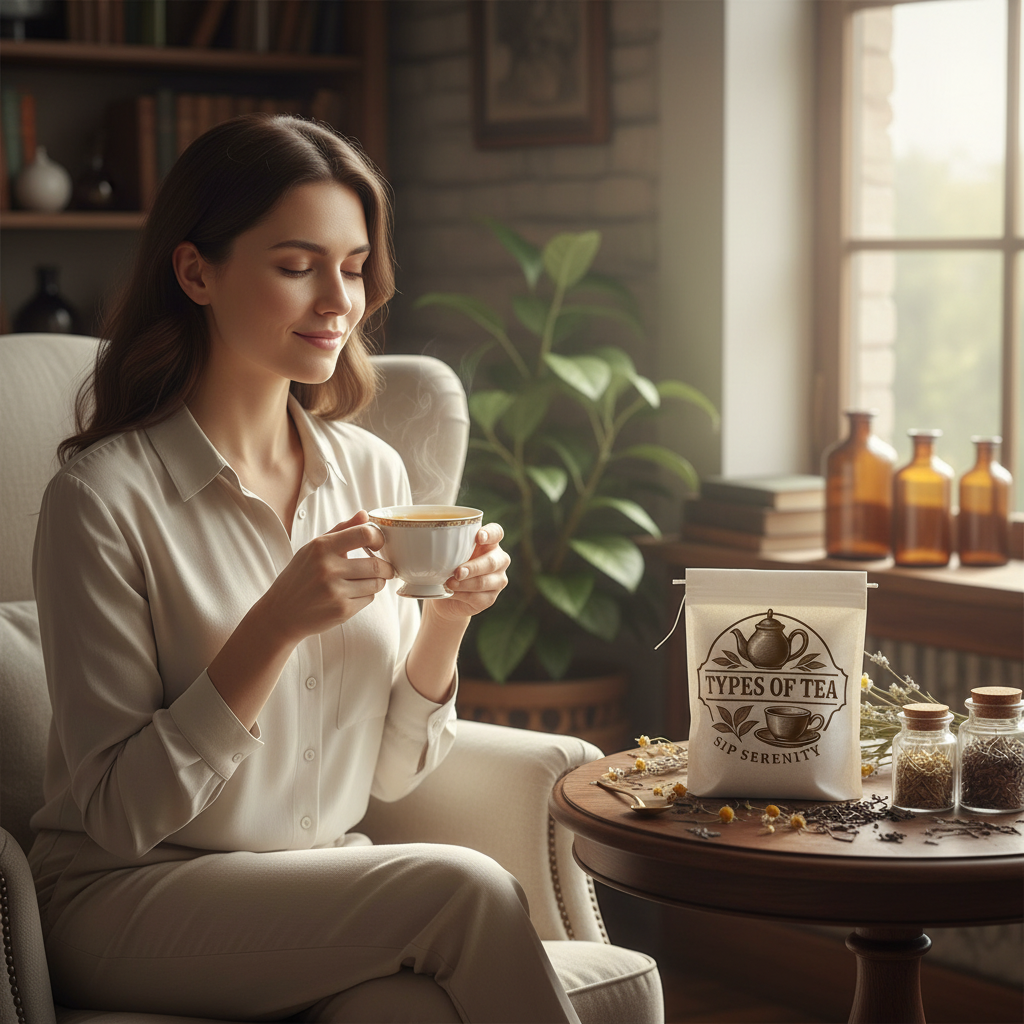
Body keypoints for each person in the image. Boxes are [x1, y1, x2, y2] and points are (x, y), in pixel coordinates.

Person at [28, 114, 581, 1024]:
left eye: (355, 266)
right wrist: (274, 625)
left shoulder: (372, 473)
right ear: (196, 270)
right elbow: (122, 815)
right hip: (128, 899)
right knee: (465, 890)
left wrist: (444, 621)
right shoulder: (101, 500)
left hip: (317, 885)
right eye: (297, 266)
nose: (339, 301)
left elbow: (394, 777)